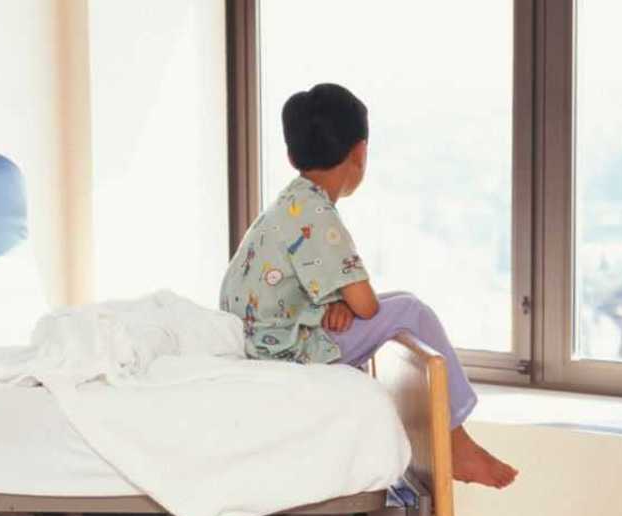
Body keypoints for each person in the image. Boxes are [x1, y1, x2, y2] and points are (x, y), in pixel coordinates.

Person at [219, 83, 517, 488]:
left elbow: (306, 290)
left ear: (292, 156)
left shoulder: (289, 203)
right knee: (411, 311)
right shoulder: (317, 216)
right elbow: (366, 306)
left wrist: (335, 305)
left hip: (273, 336)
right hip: (285, 353)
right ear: (360, 153)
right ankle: (456, 439)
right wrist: (348, 302)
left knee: (403, 303)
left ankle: (456, 436)